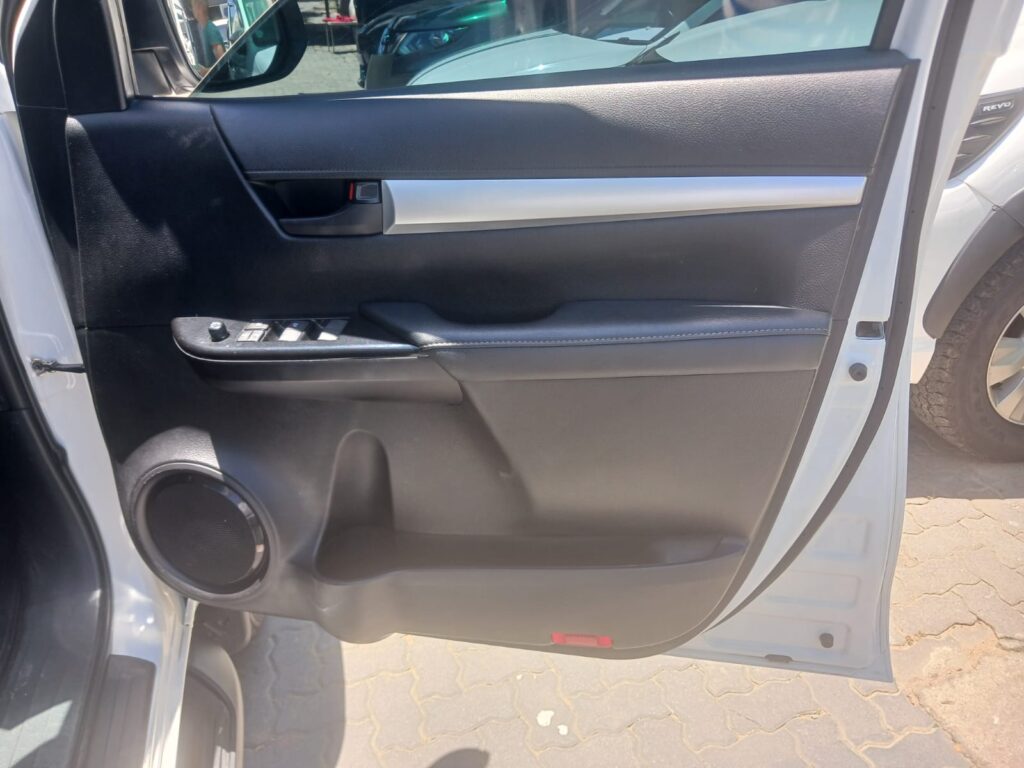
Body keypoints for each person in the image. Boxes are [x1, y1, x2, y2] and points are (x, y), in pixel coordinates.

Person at [190, 0, 226, 71]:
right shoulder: (204, 29)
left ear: (199, 7)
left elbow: (222, 62)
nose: (192, 9)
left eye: (193, 6)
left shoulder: (210, 29)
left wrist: (206, 71)